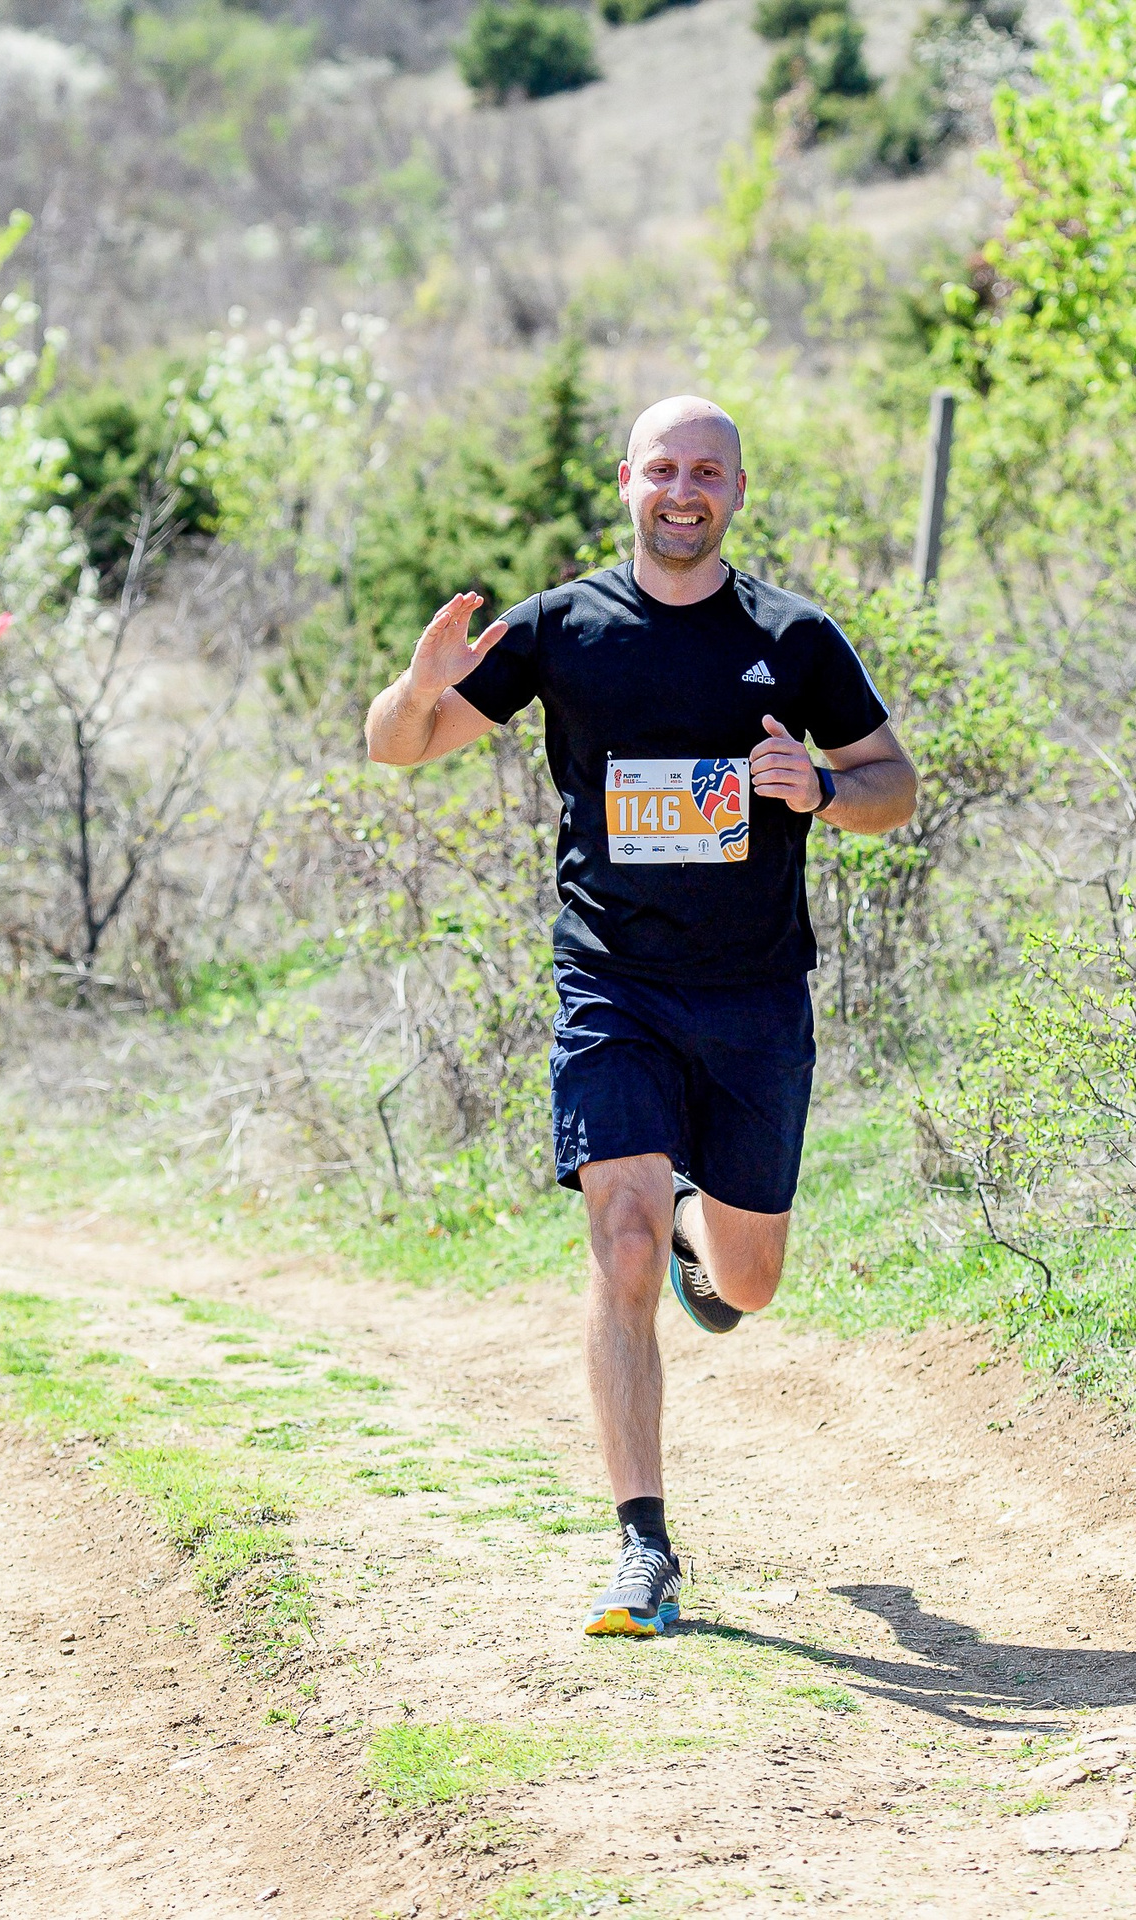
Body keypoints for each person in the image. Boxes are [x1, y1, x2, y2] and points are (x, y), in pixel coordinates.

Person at [362, 396, 918, 1637]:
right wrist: (416, 686)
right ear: (627, 481)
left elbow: (895, 785)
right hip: (609, 980)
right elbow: (400, 747)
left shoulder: (794, 634)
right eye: (662, 468)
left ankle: (692, 1230)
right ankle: (643, 1550)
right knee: (613, 1247)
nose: (683, 489)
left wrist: (824, 787)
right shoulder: (561, 628)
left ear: (734, 488)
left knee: (751, 1284)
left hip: (754, 994)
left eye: (705, 471)